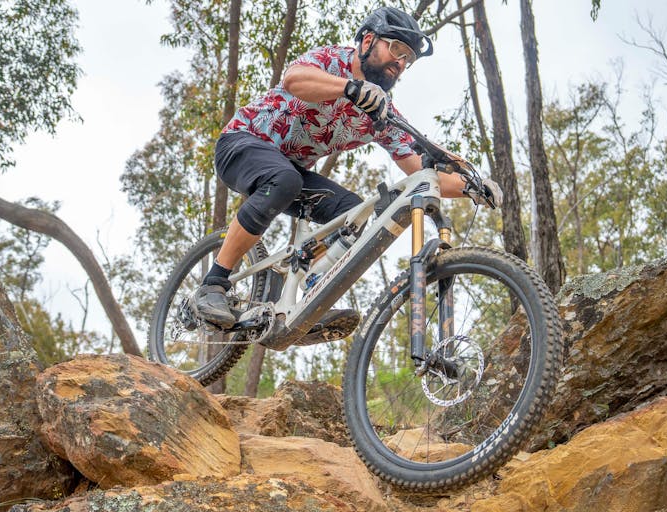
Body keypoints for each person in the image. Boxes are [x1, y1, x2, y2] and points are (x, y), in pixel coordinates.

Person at [192, 6, 502, 340]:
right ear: (368, 40)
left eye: (407, 59)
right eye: (396, 49)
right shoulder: (333, 61)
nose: (400, 63)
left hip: (289, 170)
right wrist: (349, 87)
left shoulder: (380, 113)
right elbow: (294, 80)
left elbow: (418, 170)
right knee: (285, 179)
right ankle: (213, 285)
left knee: (352, 213)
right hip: (242, 142)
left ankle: (304, 302)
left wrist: (471, 186)